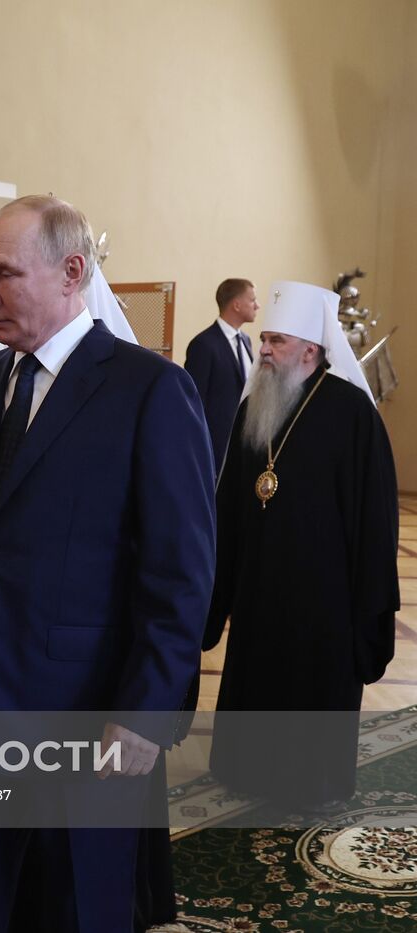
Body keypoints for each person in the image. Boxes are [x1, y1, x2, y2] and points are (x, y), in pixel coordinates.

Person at [0, 195, 215, 932]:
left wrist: (145, 715)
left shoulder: (149, 390)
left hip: (86, 710)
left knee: (78, 896)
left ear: (72, 272)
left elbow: (180, 572)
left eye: (4, 275)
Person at [204, 281, 398, 809]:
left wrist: (367, 607)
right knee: (256, 677)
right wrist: (215, 593)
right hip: (260, 590)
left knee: (311, 689)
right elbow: (230, 506)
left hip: (325, 601)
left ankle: (310, 782)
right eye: (264, 338)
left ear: (311, 349)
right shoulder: (254, 408)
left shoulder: (351, 413)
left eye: (276, 341)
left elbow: (374, 518)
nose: (263, 349)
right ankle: (246, 769)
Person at [184, 278, 259, 474]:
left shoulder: (246, 341)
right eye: (252, 300)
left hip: (243, 441)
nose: (257, 306)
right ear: (236, 304)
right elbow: (195, 402)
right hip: (216, 446)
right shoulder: (204, 344)